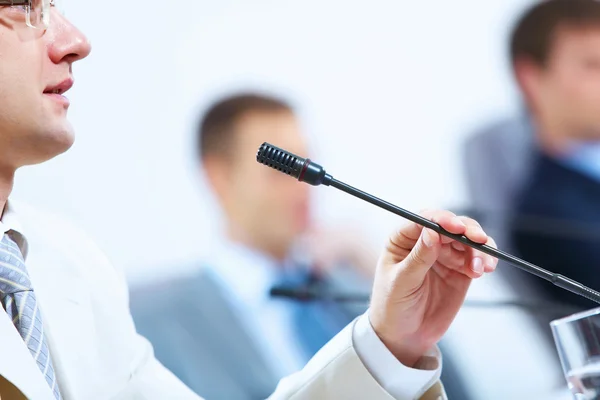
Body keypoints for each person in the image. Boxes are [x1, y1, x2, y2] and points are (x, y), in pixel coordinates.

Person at [0, 1, 499, 399]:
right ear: (217, 176)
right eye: (22, 6)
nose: (76, 42)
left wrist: (390, 342)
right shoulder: (159, 305)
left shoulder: (70, 266)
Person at [129, 93, 376, 400]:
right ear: (218, 176)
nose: (304, 187)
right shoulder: (153, 322)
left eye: (308, 167)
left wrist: (378, 281)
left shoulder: (349, 288)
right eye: (282, 170)